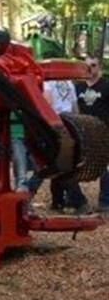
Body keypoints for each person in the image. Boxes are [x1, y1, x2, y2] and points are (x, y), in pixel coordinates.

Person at [34, 73, 88, 213]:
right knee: (61, 161)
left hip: (56, 124)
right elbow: (75, 107)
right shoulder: (69, 82)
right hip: (70, 123)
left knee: (61, 165)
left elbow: (47, 103)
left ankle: (79, 202)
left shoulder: (48, 83)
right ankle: (57, 201)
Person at [77, 56, 109, 212]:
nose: (90, 69)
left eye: (93, 65)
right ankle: (72, 200)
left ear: (99, 66)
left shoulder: (106, 86)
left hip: (104, 133)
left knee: (106, 168)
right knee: (69, 164)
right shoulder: (78, 86)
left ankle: (105, 201)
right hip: (82, 133)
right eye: (86, 66)